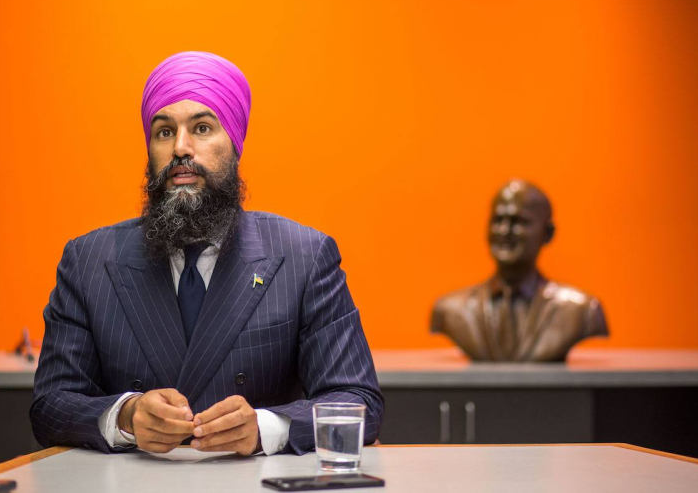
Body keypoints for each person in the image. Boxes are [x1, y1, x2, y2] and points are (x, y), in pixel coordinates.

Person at [31, 51, 383, 455]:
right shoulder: (88, 261)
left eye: (201, 128)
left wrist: (265, 428)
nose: (181, 148)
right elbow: (50, 407)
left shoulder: (305, 257)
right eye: (164, 132)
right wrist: (125, 416)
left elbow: (359, 402)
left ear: (234, 142)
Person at [431, 179, 608, 362]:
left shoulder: (582, 311)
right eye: (498, 220)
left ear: (548, 233)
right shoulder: (451, 309)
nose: (505, 231)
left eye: (519, 222)